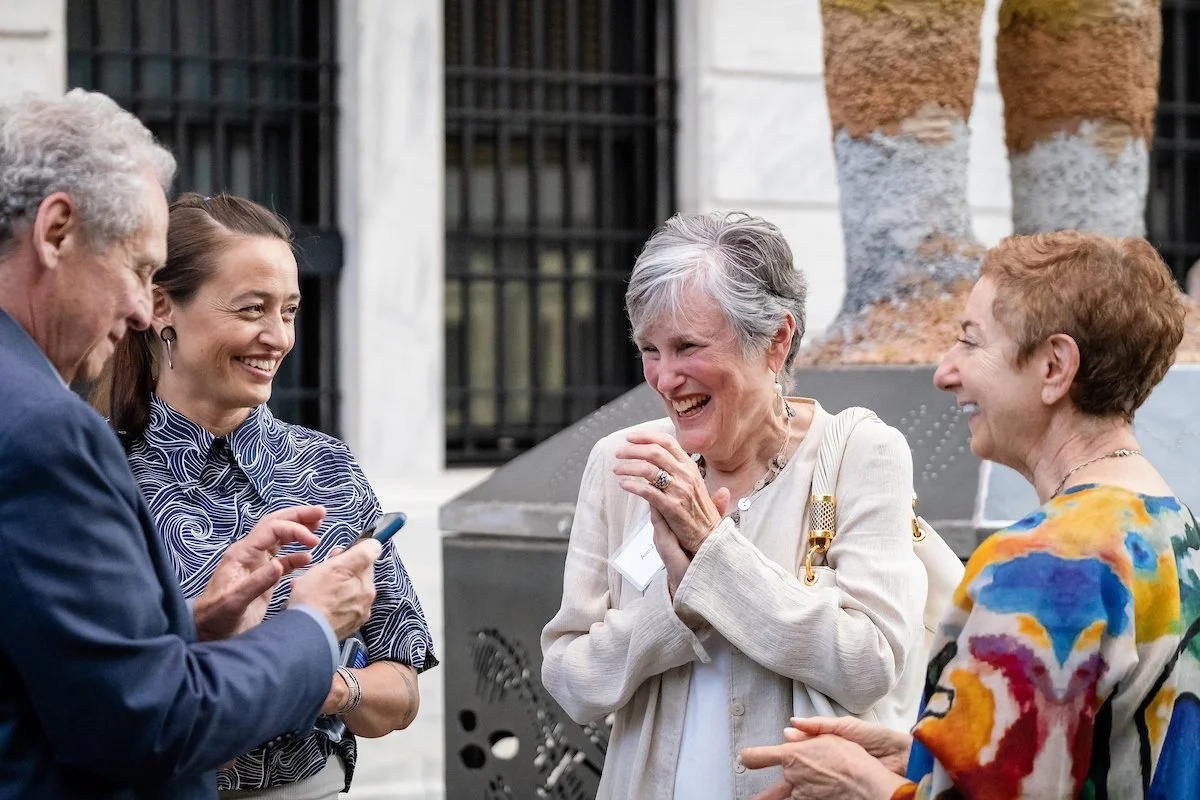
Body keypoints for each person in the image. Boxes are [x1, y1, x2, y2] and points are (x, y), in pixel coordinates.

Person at [0, 90, 383, 799]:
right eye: (138, 270)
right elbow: (150, 721)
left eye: (289, 311)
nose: (141, 309)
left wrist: (196, 624)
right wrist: (310, 627)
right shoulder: (50, 429)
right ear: (56, 232)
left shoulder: (326, 463)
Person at [741, 231, 1200, 799]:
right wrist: (919, 756)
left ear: (1054, 366)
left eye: (969, 341)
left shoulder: (1044, 562)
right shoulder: (1173, 527)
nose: (944, 372)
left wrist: (859, 782)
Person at [540, 212, 928, 799]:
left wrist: (713, 560)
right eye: (649, 350)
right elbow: (572, 682)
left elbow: (869, 662)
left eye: (687, 347)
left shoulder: (862, 455)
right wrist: (673, 604)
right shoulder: (624, 462)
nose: (665, 378)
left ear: (775, 340)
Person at [94, 192, 437, 799]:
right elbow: (93, 685)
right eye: (253, 308)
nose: (277, 337)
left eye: (291, 311)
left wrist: (328, 686)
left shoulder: (326, 467)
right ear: (162, 305)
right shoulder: (101, 474)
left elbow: (401, 693)